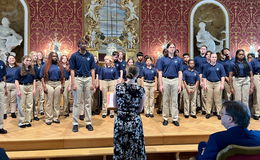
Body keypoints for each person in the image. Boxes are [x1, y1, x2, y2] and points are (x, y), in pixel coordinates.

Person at [113, 65, 146, 160]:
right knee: (135, 146)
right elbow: (140, 109)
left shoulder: (118, 87)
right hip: (134, 121)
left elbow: (115, 106)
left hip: (121, 121)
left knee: (121, 146)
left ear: (126, 74)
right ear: (137, 75)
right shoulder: (141, 90)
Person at [70, 38, 96, 132]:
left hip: (88, 78)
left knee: (88, 102)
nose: (83, 45)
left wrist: (93, 82)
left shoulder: (90, 56)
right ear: (78, 45)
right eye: (81, 43)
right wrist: (73, 83)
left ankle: (88, 122)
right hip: (78, 79)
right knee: (77, 102)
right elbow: (72, 70)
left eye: (85, 43)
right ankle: (75, 123)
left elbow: (93, 69)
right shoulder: (74, 56)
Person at [157, 43, 182, 126]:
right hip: (165, 80)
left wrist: (179, 85)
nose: (172, 48)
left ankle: (175, 118)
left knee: (174, 101)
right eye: (170, 47)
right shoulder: (162, 59)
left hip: (175, 80)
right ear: (167, 49)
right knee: (165, 100)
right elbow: (160, 73)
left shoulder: (178, 60)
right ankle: (165, 118)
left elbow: (180, 73)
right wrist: (160, 85)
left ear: (175, 49)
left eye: (173, 47)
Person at [40, 52, 64, 125]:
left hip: (58, 84)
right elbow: (42, 77)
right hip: (49, 84)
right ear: (50, 57)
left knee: (57, 102)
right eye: (53, 56)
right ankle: (48, 118)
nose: (55, 57)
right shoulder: (45, 66)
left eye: (56, 56)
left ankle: (55, 117)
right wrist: (44, 87)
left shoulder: (60, 66)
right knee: (49, 102)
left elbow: (63, 77)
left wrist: (63, 86)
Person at [15, 55, 36, 128]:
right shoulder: (19, 69)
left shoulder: (32, 69)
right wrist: (18, 90)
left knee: (29, 105)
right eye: (27, 60)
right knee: (22, 105)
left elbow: (34, 80)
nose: (29, 62)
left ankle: (27, 121)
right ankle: (21, 122)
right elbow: (16, 80)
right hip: (22, 87)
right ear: (23, 61)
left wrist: (34, 89)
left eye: (30, 60)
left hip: (30, 87)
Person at [203, 52, 225, 119]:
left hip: (217, 83)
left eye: (215, 57)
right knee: (209, 99)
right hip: (209, 83)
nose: (214, 58)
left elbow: (223, 76)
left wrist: (222, 84)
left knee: (218, 99)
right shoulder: (206, 66)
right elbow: (204, 76)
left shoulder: (220, 66)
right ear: (210, 58)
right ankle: (208, 112)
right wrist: (205, 85)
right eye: (213, 57)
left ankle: (219, 113)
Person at [4, 55, 19, 119]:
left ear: (15, 60)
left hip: (15, 85)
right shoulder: (5, 68)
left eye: (13, 58)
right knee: (6, 100)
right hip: (7, 84)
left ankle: (13, 112)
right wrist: (4, 86)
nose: (12, 59)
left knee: (13, 100)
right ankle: (4, 113)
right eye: (10, 58)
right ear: (7, 60)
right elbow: (3, 77)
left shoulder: (18, 68)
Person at [250, 50, 260, 120]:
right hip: (257, 76)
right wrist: (252, 82)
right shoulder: (254, 61)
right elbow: (251, 72)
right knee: (257, 95)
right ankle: (257, 113)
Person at [0, 59, 7, 134]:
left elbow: (4, 75)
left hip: (1, 84)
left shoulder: (2, 62)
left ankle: (0, 126)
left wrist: (5, 87)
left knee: (1, 106)